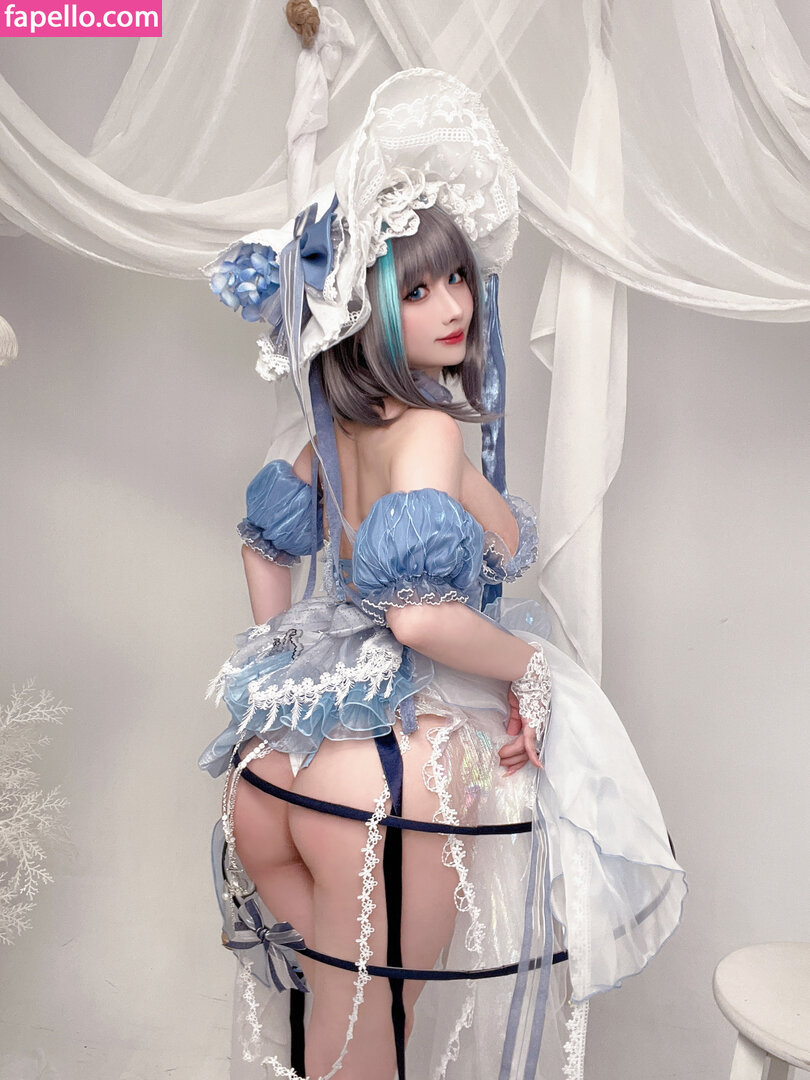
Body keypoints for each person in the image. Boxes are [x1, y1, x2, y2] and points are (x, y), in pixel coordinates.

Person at [200, 70, 686, 1080]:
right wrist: (527, 667)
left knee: (338, 1027)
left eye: (459, 278)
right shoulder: (425, 431)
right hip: (381, 770)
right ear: (364, 306)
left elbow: (265, 543)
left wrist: (277, 654)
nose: (455, 304)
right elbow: (421, 621)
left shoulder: (341, 433)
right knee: (372, 1035)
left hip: (275, 762)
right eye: (416, 289)